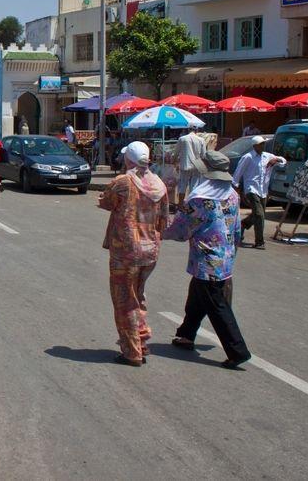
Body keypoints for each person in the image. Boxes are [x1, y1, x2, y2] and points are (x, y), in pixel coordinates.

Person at [163, 151, 252, 370]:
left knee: (216, 305)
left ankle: (237, 350)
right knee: (197, 297)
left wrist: (158, 231)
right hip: (225, 256)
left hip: (207, 260)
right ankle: (186, 335)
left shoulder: (200, 199)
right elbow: (237, 228)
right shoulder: (231, 194)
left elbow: (180, 230)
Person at [98, 141, 169, 367]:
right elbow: (164, 218)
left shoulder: (123, 182)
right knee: (138, 296)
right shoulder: (159, 184)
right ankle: (141, 341)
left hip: (126, 250)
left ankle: (132, 352)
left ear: (128, 160)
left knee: (124, 300)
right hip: (150, 250)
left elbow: (106, 202)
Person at [232, 135, 285, 249]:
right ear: (255, 146)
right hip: (251, 189)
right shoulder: (248, 157)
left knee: (258, 214)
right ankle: (259, 242)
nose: (263, 146)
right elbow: (238, 172)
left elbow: (283, 161)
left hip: (263, 190)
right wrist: (235, 187)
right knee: (259, 214)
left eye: (263, 144)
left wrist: (276, 159)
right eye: (261, 144)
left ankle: (243, 224)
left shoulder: (267, 156)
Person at [175, 129, 207, 206]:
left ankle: (180, 205)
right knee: (194, 186)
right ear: (197, 130)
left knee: (183, 186)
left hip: (185, 165)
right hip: (197, 166)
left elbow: (176, 152)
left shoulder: (182, 139)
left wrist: (174, 161)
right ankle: (192, 205)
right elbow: (203, 155)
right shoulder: (201, 140)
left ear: (188, 130)